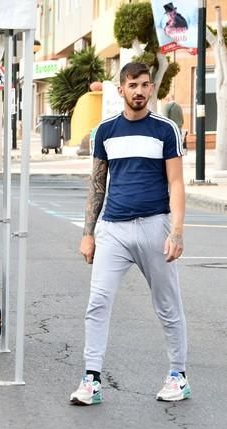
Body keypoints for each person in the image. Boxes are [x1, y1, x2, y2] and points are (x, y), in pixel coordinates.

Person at [70, 62, 189, 406]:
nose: (139, 91)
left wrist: (177, 231)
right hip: (113, 230)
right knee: (98, 302)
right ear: (120, 89)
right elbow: (96, 185)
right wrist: (88, 233)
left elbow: (176, 183)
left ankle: (178, 375)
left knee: (167, 304)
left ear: (152, 89)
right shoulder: (105, 131)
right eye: (132, 85)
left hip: (155, 226)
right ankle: (91, 379)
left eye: (145, 85)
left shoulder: (166, 130)